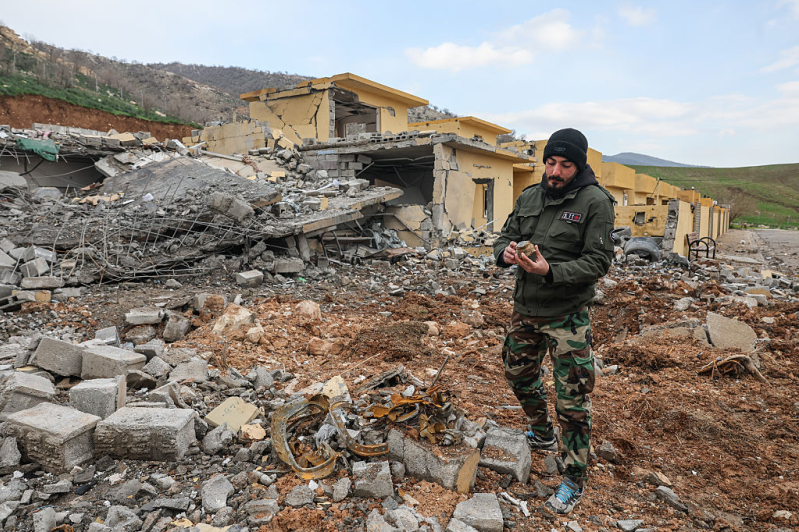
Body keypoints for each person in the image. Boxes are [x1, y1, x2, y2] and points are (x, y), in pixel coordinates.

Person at [493, 128, 616, 515]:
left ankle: (574, 478)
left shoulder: (595, 201)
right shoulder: (530, 195)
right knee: (518, 375)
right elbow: (503, 238)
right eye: (550, 162)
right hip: (525, 312)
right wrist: (506, 253)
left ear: (578, 165)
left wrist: (550, 271)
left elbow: (598, 262)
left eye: (565, 164)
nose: (555, 171)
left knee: (573, 401)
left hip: (567, 317)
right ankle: (542, 434)